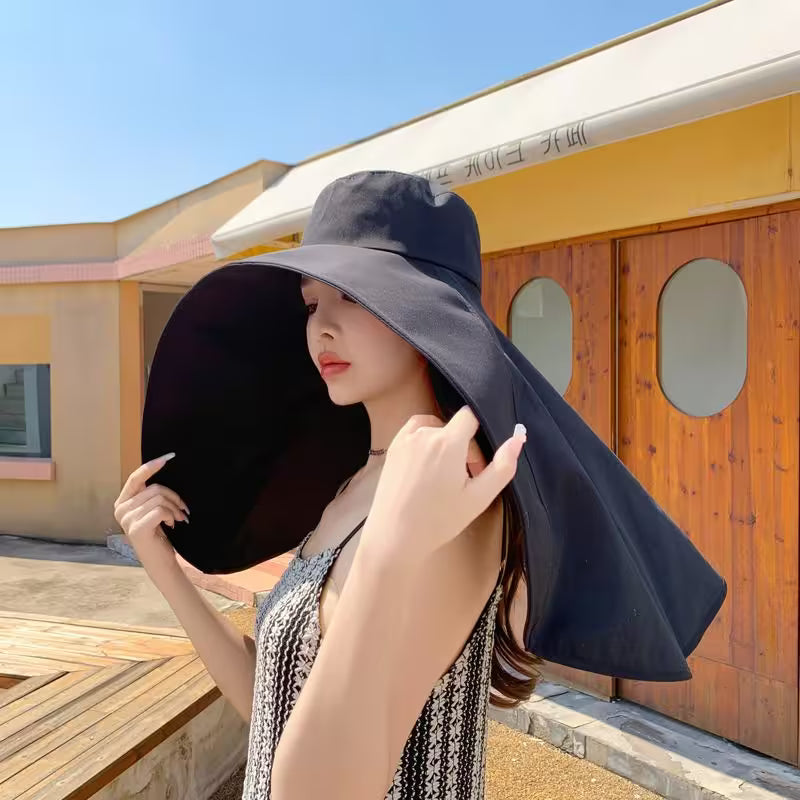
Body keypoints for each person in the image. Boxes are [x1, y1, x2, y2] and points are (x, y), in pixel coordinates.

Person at [114, 171, 726, 799]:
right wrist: (167, 570)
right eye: (311, 304)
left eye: (351, 297)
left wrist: (386, 556)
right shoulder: (363, 480)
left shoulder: (452, 502)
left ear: (422, 312)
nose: (320, 327)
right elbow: (274, 711)